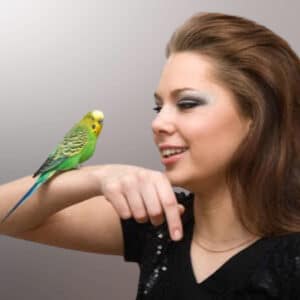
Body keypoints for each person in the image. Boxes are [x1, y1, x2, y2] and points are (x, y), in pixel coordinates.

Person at [0, 11, 300, 299]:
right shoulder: (161, 224)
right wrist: (96, 176)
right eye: (159, 107)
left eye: (187, 103)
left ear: (258, 117)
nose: (158, 124)